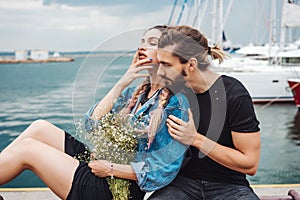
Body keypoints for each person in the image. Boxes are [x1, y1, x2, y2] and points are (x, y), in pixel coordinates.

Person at [0, 25, 190, 200]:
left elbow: (162, 171)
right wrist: (123, 81)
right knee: (39, 128)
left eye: (152, 43)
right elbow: (91, 124)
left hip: (117, 187)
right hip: (102, 163)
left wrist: (110, 169)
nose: (142, 47)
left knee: (28, 150)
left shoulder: (175, 103)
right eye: (141, 41)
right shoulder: (134, 93)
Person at [148, 25, 261, 200]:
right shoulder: (173, 92)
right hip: (182, 184)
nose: (160, 71)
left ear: (191, 64)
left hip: (229, 186)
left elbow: (250, 164)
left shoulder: (234, 94)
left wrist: (195, 139)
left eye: (166, 64)